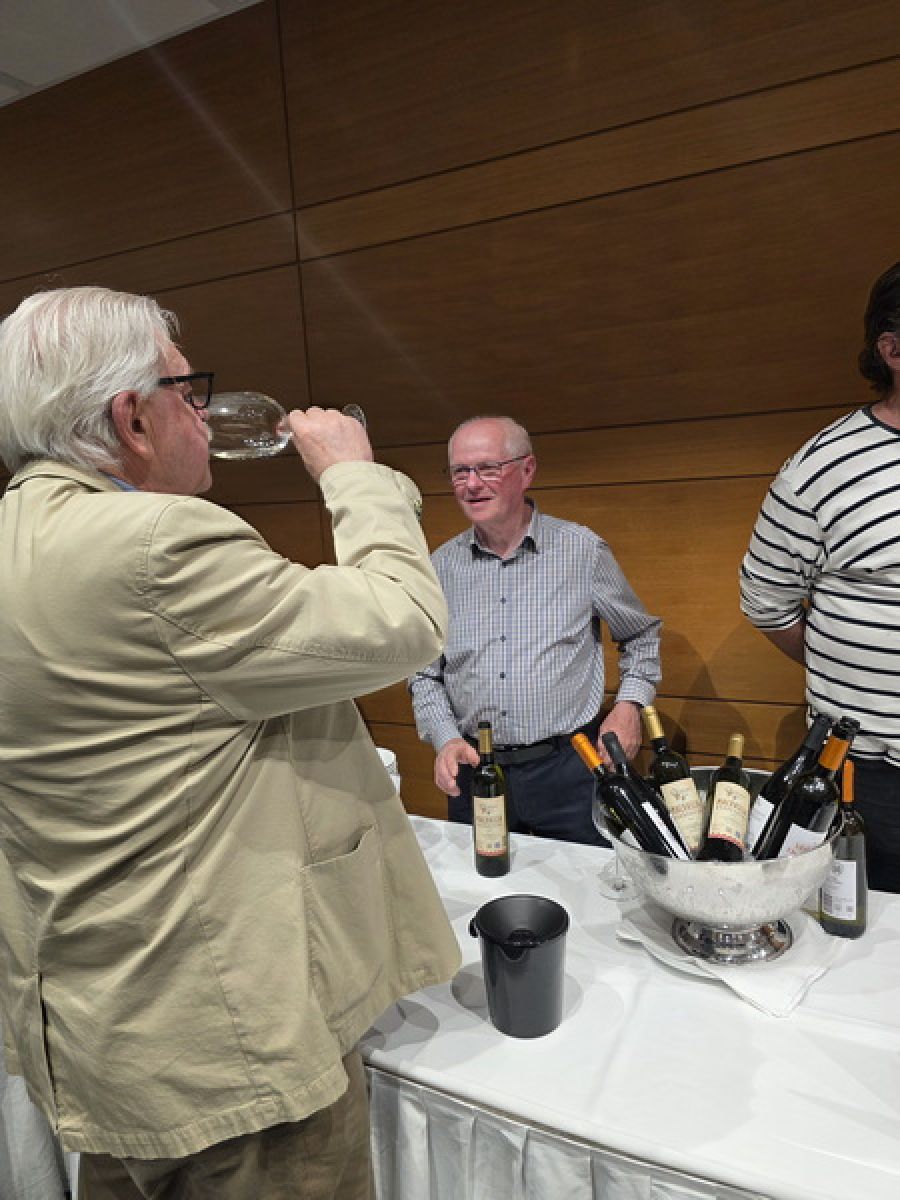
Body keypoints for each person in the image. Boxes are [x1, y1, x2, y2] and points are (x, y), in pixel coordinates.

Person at [0, 286, 461, 1199]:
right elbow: (405, 621)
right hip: (227, 1039)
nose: (204, 414)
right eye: (188, 390)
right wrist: (354, 474)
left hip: (97, 1023)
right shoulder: (153, 544)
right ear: (132, 418)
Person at [408, 415, 662, 845]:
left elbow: (640, 635)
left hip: (571, 770)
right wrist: (446, 739)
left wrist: (629, 706)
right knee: (481, 882)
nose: (472, 484)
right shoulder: (439, 568)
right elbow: (422, 672)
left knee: (584, 883)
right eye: (459, 472)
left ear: (527, 470)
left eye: (488, 468)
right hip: (475, 771)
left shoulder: (582, 551)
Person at [740, 261, 900, 893]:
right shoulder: (820, 468)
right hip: (872, 774)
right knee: (870, 931)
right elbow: (767, 601)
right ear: (892, 350)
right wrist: (848, 666)